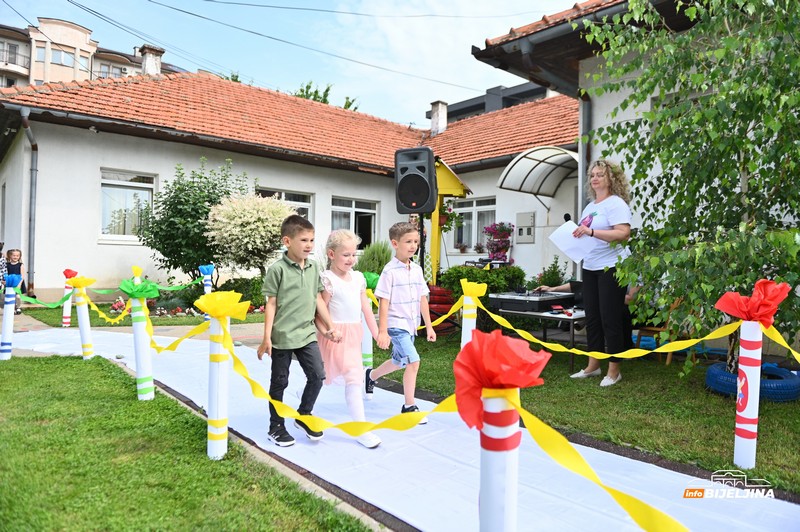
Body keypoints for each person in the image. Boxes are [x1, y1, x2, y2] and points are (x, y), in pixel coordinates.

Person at [257, 215, 340, 447]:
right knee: (280, 382)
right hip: (282, 337)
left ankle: (304, 414)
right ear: (287, 241)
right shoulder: (277, 270)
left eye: (312, 240)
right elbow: (271, 304)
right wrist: (266, 338)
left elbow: (317, 299)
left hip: (306, 334)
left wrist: (330, 326)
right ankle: (276, 426)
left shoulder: (314, 268)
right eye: (304, 240)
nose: (309, 245)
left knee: (318, 376)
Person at [315, 229, 382, 449]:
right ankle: (305, 395)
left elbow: (366, 309)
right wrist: (327, 331)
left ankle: (360, 429)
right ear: (331, 254)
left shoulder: (359, 278)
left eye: (354, 254)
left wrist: (377, 333)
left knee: (351, 378)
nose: (351, 259)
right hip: (334, 336)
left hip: (353, 335)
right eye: (346, 255)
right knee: (328, 376)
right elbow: (319, 312)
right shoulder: (328, 280)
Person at [365, 222, 436, 423]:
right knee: (413, 361)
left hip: (411, 325)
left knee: (399, 362)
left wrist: (429, 327)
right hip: (396, 325)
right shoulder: (389, 271)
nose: (413, 246)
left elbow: (423, 299)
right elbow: (384, 302)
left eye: (416, 241)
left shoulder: (417, 269)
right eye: (408, 242)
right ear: (395, 243)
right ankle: (409, 406)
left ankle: (370, 376)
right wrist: (382, 331)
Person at [570, 159, 632, 387]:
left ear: (611, 179)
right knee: (593, 318)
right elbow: (585, 233)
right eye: (592, 175)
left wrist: (592, 231)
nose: (595, 178)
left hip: (611, 267)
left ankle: (614, 370)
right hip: (590, 267)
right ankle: (593, 365)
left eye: (600, 175)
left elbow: (623, 234)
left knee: (610, 318)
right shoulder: (589, 207)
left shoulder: (616, 204)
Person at [5, 248, 25, 314]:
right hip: (10, 283)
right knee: (11, 296)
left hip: (18, 283)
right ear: (10, 256)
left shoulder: (20, 265)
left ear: (19, 256)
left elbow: (22, 276)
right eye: (14, 255)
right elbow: (5, 274)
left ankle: (18, 307)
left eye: (17, 256)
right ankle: (12, 308)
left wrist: (19, 284)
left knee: (17, 297)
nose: (15, 257)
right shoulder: (7, 265)